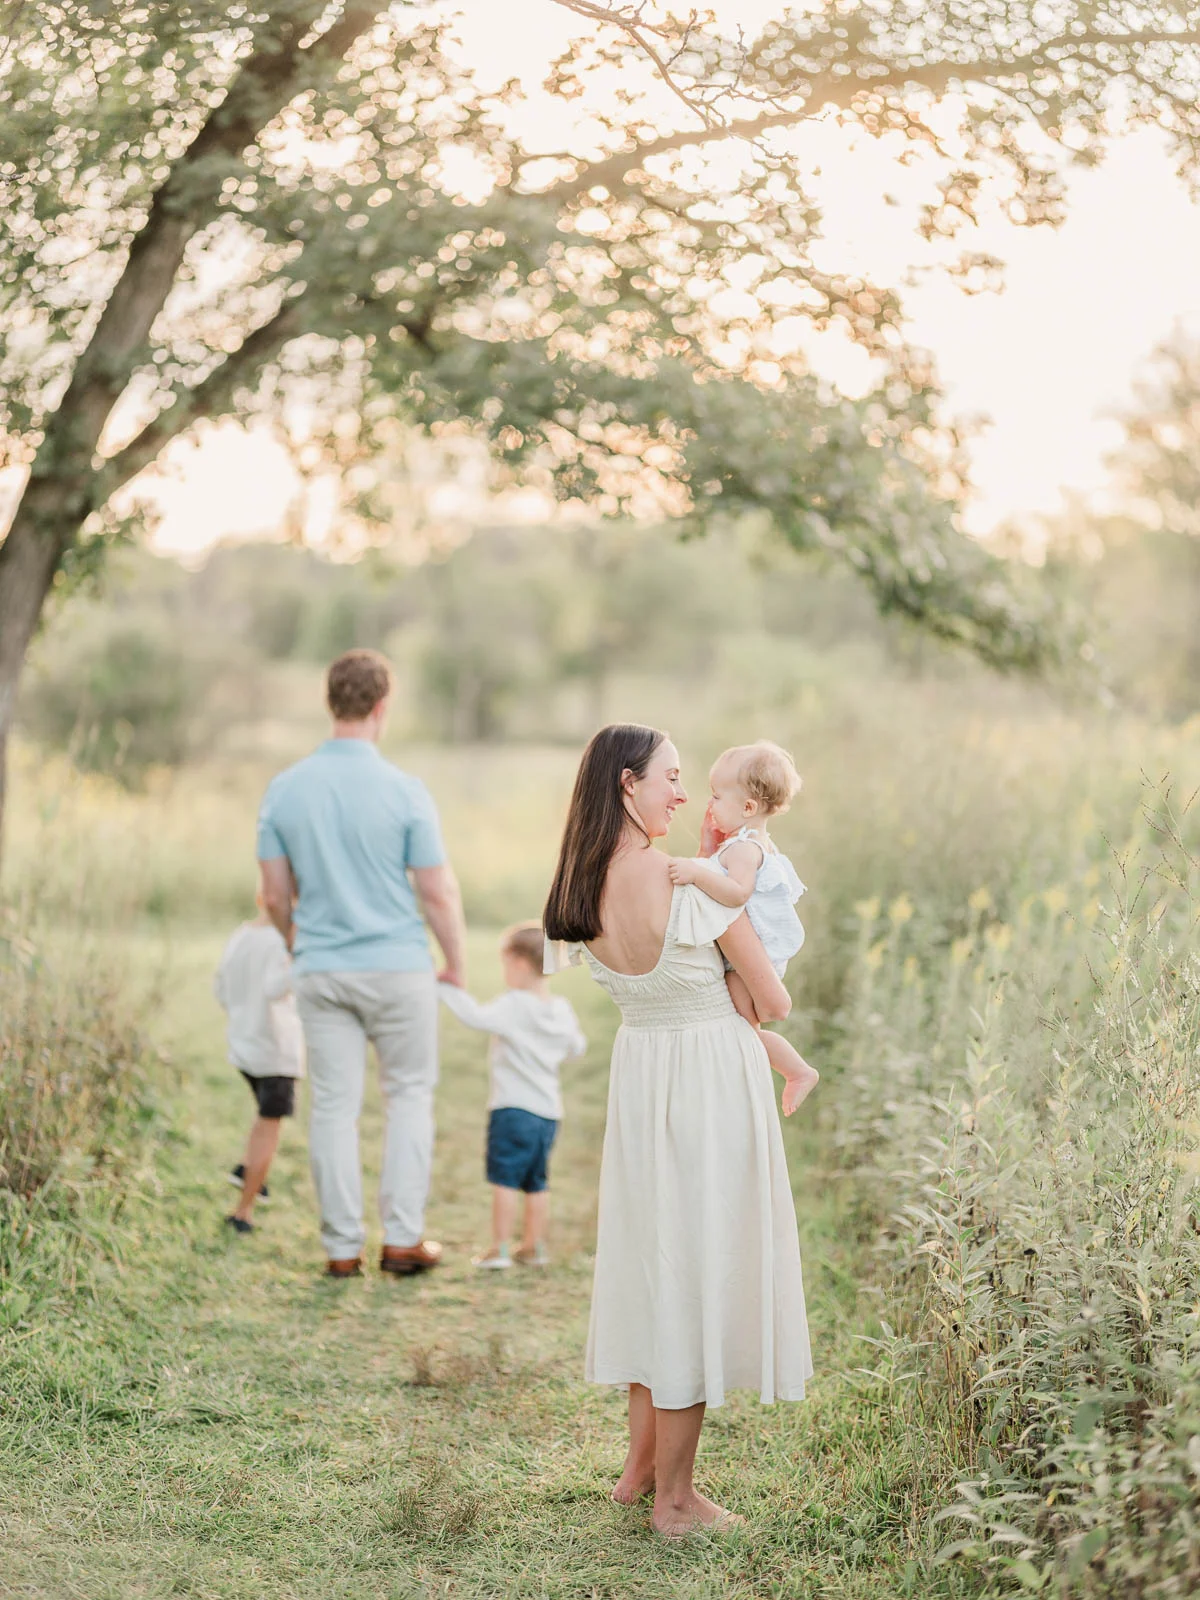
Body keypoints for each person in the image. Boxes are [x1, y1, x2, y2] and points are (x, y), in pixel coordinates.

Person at [543, 723, 811, 1539]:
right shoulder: (691, 888)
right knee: (694, 1272)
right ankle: (677, 1500)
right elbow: (772, 1001)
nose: (683, 793)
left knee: (653, 1266)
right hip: (707, 1085)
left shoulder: (581, 889)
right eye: (671, 777)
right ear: (628, 784)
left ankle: (640, 1471)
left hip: (644, 1078)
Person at [256, 649, 467, 1280]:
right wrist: (454, 960)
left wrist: (301, 942)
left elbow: (272, 895)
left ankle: (341, 1248)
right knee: (407, 1098)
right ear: (382, 707)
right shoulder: (405, 790)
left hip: (321, 968)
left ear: (331, 704)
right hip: (400, 968)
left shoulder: (285, 788)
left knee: (333, 1107)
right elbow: (436, 892)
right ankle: (402, 1241)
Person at [667, 740, 819, 1114]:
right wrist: (705, 852)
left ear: (748, 807)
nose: (709, 804)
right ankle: (789, 1073)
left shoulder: (744, 849)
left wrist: (695, 872)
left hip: (754, 955)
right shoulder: (745, 843)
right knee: (741, 1029)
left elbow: (736, 894)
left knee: (743, 1031)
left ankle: (797, 1071)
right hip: (755, 951)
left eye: (716, 796)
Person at [438, 921, 586, 1271]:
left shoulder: (513, 1005)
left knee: (505, 1178)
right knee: (537, 1181)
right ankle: (533, 1247)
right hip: (549, 1112)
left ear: (519, 963)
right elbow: (576, 1048)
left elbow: (475, 1017)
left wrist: (445, 989)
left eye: (504, 964)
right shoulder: (561, 1008)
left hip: (513, 1108)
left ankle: (500, 1248)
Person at [213, 891, 305, 1234]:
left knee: (262, 1116)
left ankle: (248, 1168)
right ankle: (244, 1211)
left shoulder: (241, 936)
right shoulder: (281, 945)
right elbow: (274, 989)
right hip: (275, 1051)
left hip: (245, 1047)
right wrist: (301, 962)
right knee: (271, 1124)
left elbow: (220, 988)